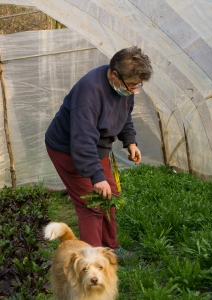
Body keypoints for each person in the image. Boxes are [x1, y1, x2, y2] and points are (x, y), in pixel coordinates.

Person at [45, 46, 153, 258]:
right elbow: (82, 141)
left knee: (109, 195)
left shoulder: (123, 85)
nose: (133, 90)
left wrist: (130, 141)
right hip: (69, 149)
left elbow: (124, 114)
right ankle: (93, 260)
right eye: (131, 85)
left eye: (137, 86)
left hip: (96, 147)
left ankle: (111, 248)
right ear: (114, 74)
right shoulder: (89, 94)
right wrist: (96, 176)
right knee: (91, 204)